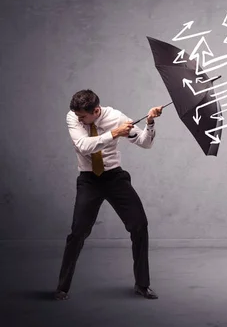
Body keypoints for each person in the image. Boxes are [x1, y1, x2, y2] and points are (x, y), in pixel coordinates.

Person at [54, 89, 162, 300]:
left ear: (96, 110)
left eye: (83, 117)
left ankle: (142, 284)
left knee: (140, 225)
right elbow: (84, 146)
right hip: (89, 180)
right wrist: (114, 133)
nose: (80, 120)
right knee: (77, 233)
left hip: (114, 178)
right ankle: (62, 288)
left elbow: (145, 143)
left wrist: (149, 122)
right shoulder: (73, 116)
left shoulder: (117, 118)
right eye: (78, 117)